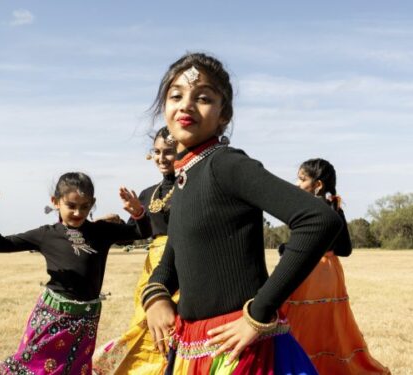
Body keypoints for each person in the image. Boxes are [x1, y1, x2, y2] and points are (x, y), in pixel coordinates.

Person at [141, 52, 343, 374]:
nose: (187, 105)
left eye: (203, 98)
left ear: (224, 114)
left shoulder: (226, 164)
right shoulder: (183, 177)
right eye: (176, 95)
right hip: (192, 346)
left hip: (238, 352)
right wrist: (156, 296)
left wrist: (259, 313)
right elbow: (172, 258)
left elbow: (319, 220)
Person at [0, 172, 151, 375]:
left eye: (85, 206)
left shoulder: (102, 231)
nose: (78, 212)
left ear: (92, 203)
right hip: (52, 317)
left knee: (75, 370)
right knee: (35, 368)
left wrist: (139, 213)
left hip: (87, 320)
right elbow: (0, 245)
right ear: (55, 201)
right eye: (71, 206)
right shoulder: (46, 235)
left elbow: (142, 232)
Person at [280, 158, 390, 374]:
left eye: (302, 180)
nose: (297, 184)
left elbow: (304, 246)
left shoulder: (309, 209)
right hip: (331, 275)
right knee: (329, 326)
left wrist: (285, 248)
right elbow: (345, 249)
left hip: (308, 273)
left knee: (299, 324)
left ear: (317, 185)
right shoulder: (335, 207)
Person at [93, 127, 178, 374]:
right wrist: (116, 224)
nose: (162, 158)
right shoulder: (147, 194)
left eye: (169, 152)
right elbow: (134, 235)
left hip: (183, 265)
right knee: (144, 325)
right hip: (152, 271)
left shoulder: (191, 188)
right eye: (157, 152)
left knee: (173, 328)